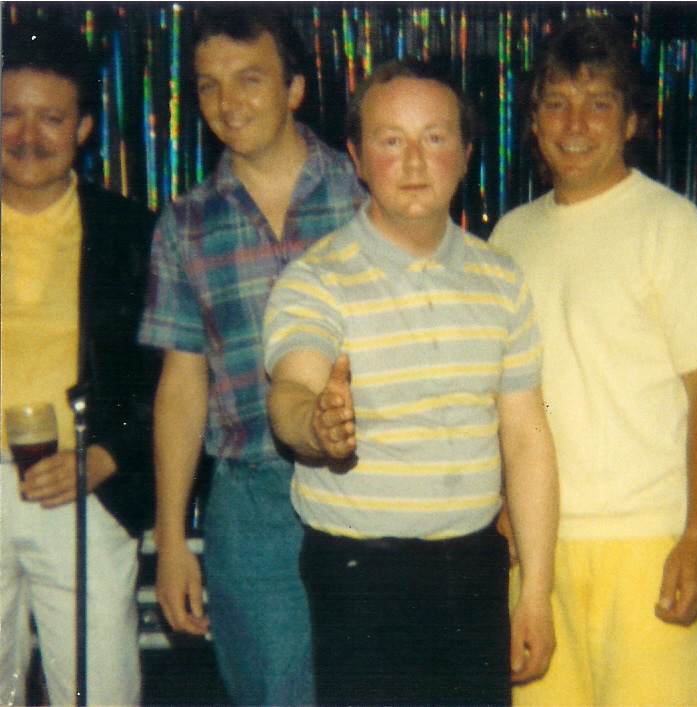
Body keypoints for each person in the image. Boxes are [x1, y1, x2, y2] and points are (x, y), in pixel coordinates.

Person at [263, 58, 559, 707]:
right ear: (357, 157)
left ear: (465, 152)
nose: (415, 161)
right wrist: (316, 421)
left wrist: (534, 590)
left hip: (475, 570)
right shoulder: (316, 279)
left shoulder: (500, 279)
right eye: (390, 140)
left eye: (435, 137)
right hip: (360, 576)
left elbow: (527, 438)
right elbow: (289, 391)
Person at [489, 17, 697, 707]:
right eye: (556, 101)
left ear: (631, 121)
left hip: (647, 544)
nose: (575, 122)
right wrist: (501, 501)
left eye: (598, 102)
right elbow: (498, 399)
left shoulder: (670, 225)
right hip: (537, 551)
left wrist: (696, 537)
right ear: (533, 119)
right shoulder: (509, 236)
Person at [138, 6, 364, 705]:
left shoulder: (369, 193)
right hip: (251, 503)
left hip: (370, 483)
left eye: (249, 79)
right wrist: (174, 538)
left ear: (294, 88)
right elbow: (182, 387)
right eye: (208, 85)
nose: (227, 103)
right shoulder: (184, 223)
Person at [0, 18, 159, 706]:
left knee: (101, 693)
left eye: (52, 117)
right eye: (9, 114)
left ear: (85, 128)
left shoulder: (134, 232)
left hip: (83, 489)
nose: (28, 136)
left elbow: (171, 378)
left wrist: (108, 456)